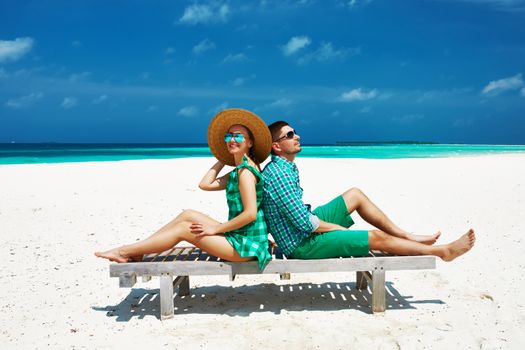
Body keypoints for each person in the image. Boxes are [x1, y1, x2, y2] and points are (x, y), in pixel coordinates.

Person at [262, 121, 475, 261]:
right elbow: (304, 224)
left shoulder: (286, 166)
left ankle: (405, 235)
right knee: (375, 238)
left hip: (302, 227)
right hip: (301, 244)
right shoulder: (279, 174)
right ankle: (442, 252)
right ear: (277, 146)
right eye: (290, 135)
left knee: (354, 194)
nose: (297, 136)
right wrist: (338, 229)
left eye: (294, 132)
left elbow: (301, 217)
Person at [95, 109, 272, 270]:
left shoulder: (245, 173)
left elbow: (250, 214)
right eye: (229, 136)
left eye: (238, 136)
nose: (232, 140)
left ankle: (124, 251)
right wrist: (223, 158)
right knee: (188, 214)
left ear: (250, 142)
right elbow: (205, 184)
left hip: (247, 246)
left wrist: (216, 230)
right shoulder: (240, 169)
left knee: (184, 229)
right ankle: (140, 249)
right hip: (241, 237)